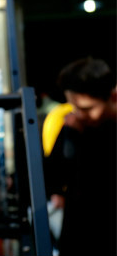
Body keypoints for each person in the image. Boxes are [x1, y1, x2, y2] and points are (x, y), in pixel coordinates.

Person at [44, 57, 117, 256]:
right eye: (74, 107)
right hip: (78, 233)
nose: (79, 114)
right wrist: (69, 135)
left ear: (113, 97)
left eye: (87, 109)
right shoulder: (75, 126)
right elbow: (51, 176)